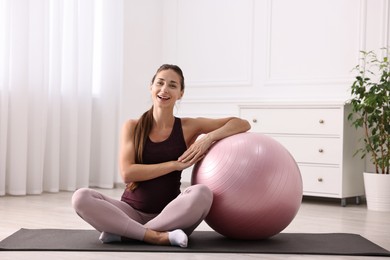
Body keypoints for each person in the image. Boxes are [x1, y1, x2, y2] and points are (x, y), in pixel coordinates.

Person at [72, 64, 251, 247]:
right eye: (160, 83)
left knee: (202, 193)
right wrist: (174, 165)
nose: (164, 89)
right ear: (151, 87)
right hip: (130, 212)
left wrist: (208, 138)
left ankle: (129, 233)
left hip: (172, 215)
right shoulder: (132, 126)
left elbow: (241, 123)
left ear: (180, 93)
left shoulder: (188, 127)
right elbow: (127, 173)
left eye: (172, 85)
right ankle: (155, 237)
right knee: (81, 197)